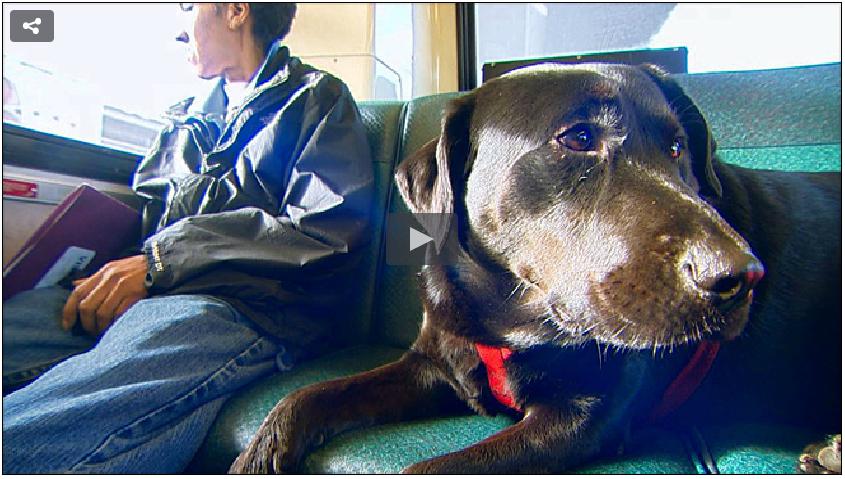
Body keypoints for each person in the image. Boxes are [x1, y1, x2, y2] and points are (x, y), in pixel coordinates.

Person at [2, 2, 373, 473]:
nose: (180, 28)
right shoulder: (183, 120)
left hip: (246, 305)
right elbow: (150, 217)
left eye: (188, 6)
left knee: (57, 415)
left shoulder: (316, 100)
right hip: (151, 288)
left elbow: (326, 229)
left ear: (237, 10)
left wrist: (162, 261)